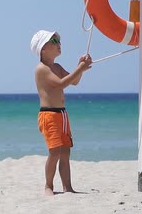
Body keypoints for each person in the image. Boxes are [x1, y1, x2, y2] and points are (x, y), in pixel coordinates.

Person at [30, 30, 92, 196]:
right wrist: (80, 68)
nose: (59, 43)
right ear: (43, 48)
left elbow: (74, 81)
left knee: (65, 152)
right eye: (54, 40)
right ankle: (48, 186)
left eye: (58, 39)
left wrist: (81, 68)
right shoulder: (41, 69)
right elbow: (61, 84)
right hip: (49, 115)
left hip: (62, 115)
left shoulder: (57, 67)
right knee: (55, 151)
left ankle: (68, 187)